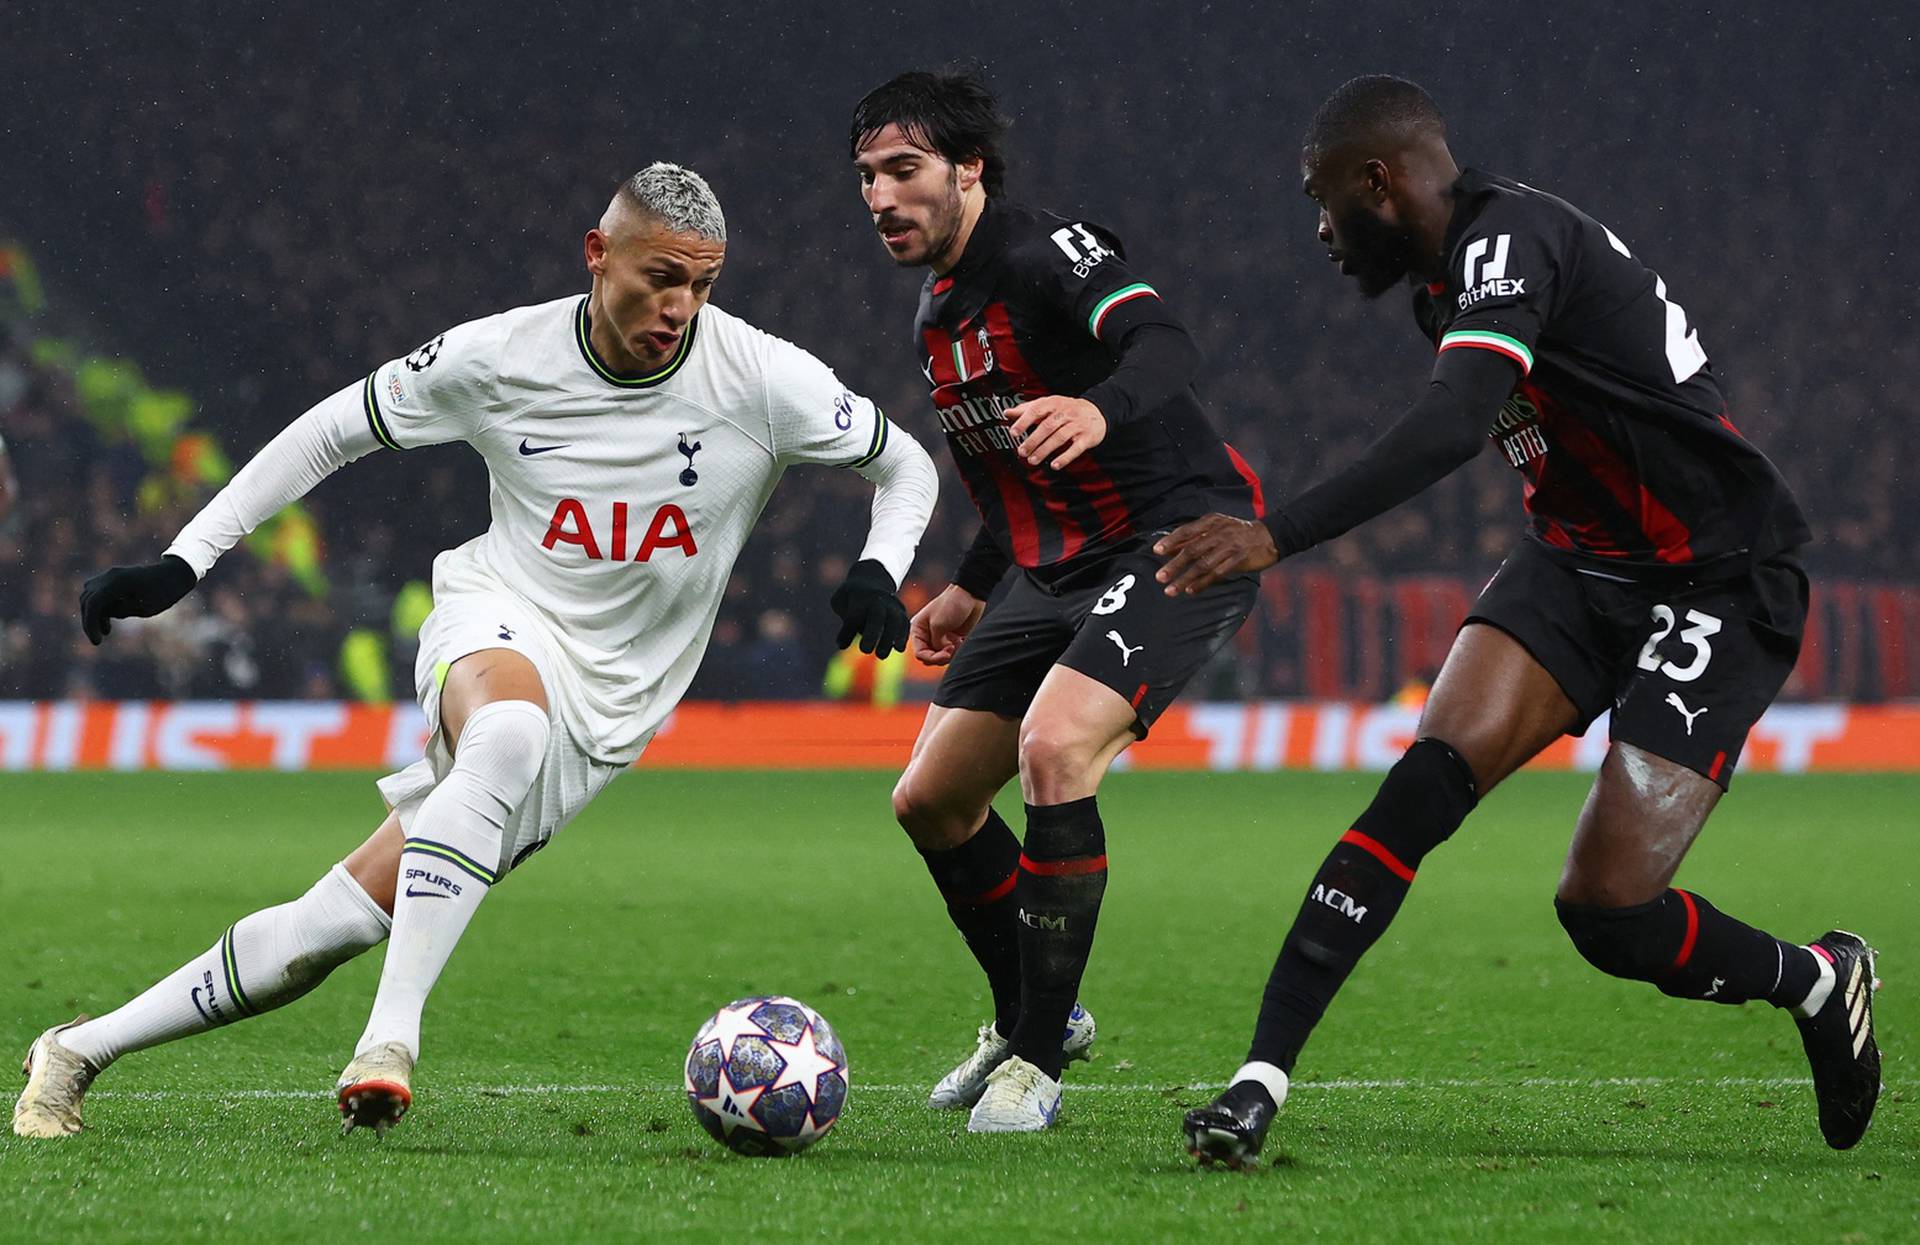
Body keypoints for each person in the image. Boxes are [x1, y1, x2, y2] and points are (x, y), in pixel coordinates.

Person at [13, 163, 938, 1139]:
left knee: (327, 928)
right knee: (503, 733)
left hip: (615, 707)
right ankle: (389, 1044)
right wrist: (183, 559)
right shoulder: (498, 356)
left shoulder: (760, 377)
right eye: (661, 277)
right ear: (598, 254)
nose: (681, 306)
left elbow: (904, 464)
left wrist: (881, 565)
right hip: (497, 616)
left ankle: (77, 1050)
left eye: (703, 285)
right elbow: (333, 430)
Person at [1159, 76, 1880, 1165]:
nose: (1319, 230)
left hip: (1716, 578)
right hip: (1577, 567)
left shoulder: (1512, 240)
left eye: (1322, 200)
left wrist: (1280, 532)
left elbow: (1455, 421)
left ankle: (1818, 981)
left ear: (1379, 180)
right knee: (1419, 788)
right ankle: (1258, 1083)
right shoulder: (1445, 286)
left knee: (1608, 911)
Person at [850, 69, 1266, 1132]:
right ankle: (1034, 1012)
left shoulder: (1046, 253)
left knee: (1053, 749)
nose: (883, 197)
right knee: (930, 800)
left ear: (968, 169)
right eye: (867, 178)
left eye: (905, 171)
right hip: (1057, 566)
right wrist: (971, 588)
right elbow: (1016, 475)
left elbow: (1167, 345)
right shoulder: (935, 317)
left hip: (1180, 539)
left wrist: (1095, 401)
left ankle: (1034, 1063)